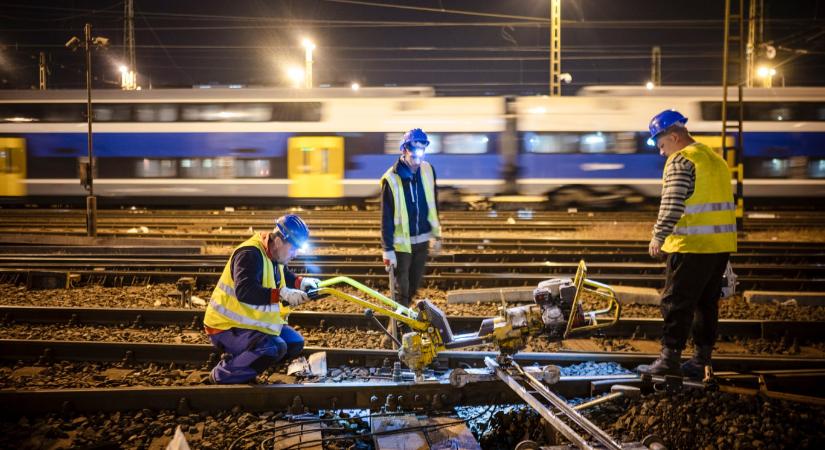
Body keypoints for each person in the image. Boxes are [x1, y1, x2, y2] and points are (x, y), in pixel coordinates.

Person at [637, 110, 737, 378]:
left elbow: (671, 204)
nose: (661, 153)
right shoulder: (715, 159)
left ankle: (669, 359)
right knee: (706, 304)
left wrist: (658, 236)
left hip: (690, 244)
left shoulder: (680, 160)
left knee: (676, 302)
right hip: (719, 246)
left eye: (661, 145)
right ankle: (702, 360)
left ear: (674, 137)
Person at [203, 214, 321, 384]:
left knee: (294, 343)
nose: (295, 254)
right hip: (225, 327)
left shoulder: (274, 253)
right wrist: (281, 294)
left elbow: (283, 274)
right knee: (273, 348)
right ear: (280, 241)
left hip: (248, 323)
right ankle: (222, 374)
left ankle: (244, 359)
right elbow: (245, 291)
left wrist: (300, 282)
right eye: (294, 249)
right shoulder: (249, 254)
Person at [381, 128, 442, 308]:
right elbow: (386, 217)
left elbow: (433, 204)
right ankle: (397, 332)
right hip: (402, 246)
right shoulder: (390, 179)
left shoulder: (428, 170)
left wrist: (437, 235)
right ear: (404, 150)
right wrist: (387, 249)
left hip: (422, 242)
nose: (418, 157)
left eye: (421, 150)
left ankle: (399, 328)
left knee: (413, 288)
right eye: (414, 151)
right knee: (402, 291)